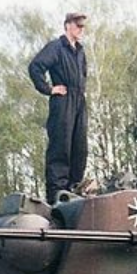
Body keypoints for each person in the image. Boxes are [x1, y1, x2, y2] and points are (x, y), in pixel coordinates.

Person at [28, 12, 89, 204]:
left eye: (82, 26)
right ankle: (57, 194)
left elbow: (83, 74)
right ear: (68, 26)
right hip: (63, 100)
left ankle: (74, 188)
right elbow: (35, 67)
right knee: (60, 146)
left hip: (79, 99)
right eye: (78, 25)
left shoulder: (80, 51)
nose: (81, 29)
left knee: (80, 147)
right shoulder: (56, 47)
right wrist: (49, 89)